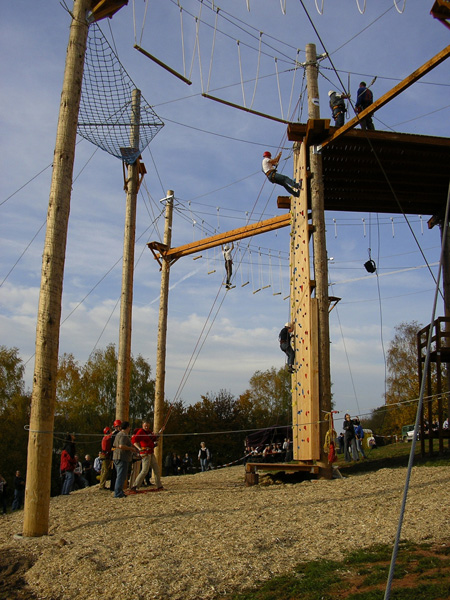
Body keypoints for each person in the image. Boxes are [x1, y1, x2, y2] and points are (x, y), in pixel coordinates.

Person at [130, 421, 163, 492]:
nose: (146, 427)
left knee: (156, 469)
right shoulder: (140, 432)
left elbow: (155, 438)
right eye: (145, 426)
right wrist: (139, 449)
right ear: (142, 425)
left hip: (151, 452)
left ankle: (159, 485)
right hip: (145, 453)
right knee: (145, 470)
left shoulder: (149, 432)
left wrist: (160, 432)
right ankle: (135, 485)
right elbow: (133, 440)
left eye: (147, 426)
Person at [112, 421, 137, 498]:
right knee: (121, 476)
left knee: (120, 475)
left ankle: (119, 491)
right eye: (129, 427)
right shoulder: (123, 435)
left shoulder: (119, 434)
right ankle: (118, 493)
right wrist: (131, 448)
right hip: (121, 457)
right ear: (127, 427)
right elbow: (121, 446)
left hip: (117, 457)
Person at [99, 426, 114, 490]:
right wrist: (114, 432)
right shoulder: (105, 438)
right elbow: (109, 436)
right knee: (105, 471)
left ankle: (102, 485)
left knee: (103, 471)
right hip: (105, 456)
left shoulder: (105, 438)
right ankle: (102, 486)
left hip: (104, 455)